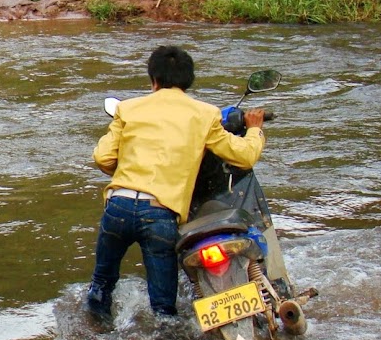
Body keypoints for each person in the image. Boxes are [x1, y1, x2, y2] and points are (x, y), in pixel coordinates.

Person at [86, 45, 266, 321]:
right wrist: (254, 129)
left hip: (118, 207)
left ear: (153, 80)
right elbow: (243, 157)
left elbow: (103, 157)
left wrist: (127, 173)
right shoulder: (206, 114)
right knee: (163, 308)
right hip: (159, 214)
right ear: (188, 80)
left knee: (101, 284)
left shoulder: (128, 108)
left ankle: (95, 335)